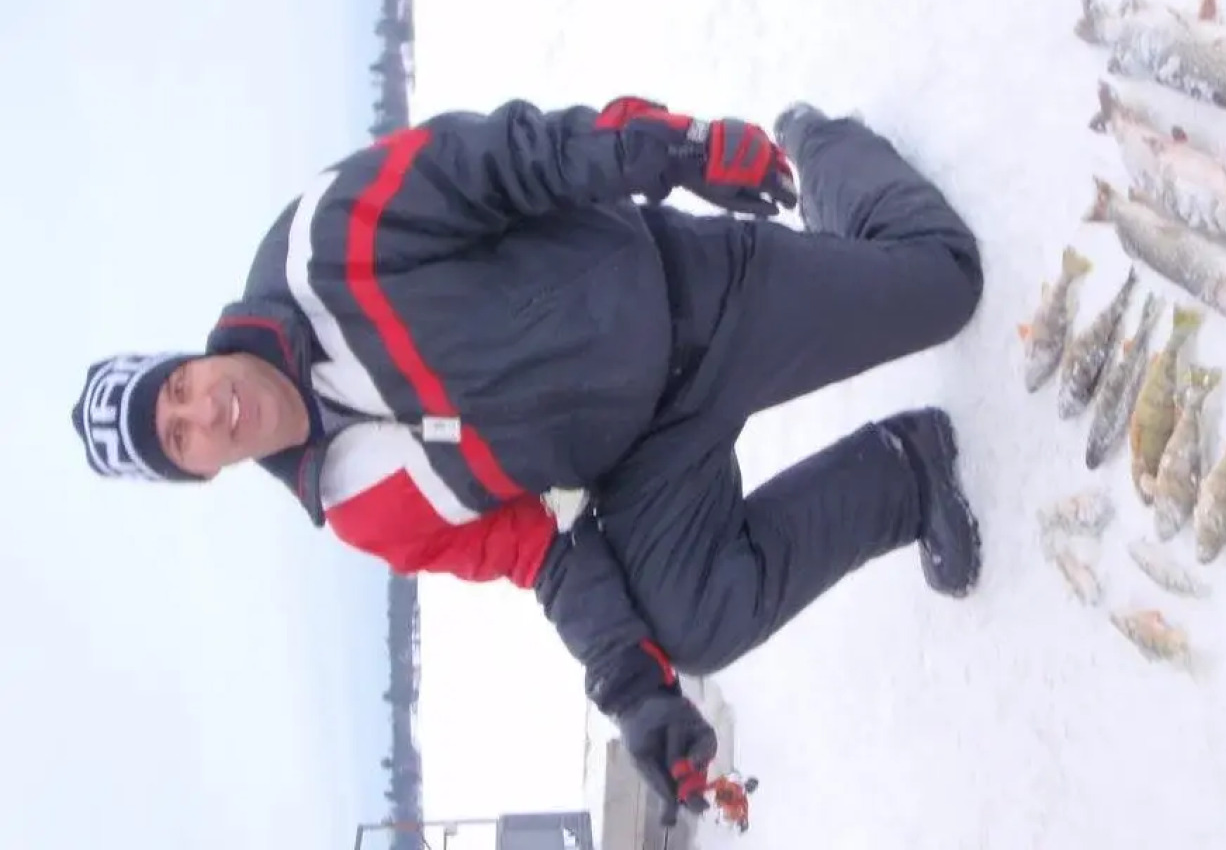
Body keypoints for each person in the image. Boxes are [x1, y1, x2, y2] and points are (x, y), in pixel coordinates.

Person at [70, 96, 985, 827]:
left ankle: (821, 153)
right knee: (694, 622)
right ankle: (908, 475)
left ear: (184, 359)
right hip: (647, 453)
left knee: (947, 281)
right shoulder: (358, 508)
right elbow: (541, 553)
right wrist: (638, 699)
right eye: (177, 436)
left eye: (176, 390)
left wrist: (687, 150)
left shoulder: (319, 250)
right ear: (197, 473)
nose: (203, 411)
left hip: (697, 298)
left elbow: (510, 162)